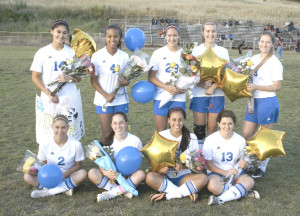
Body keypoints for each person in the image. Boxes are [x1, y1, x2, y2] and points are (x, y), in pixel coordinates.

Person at [31, 20, 84, 145]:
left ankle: (70, 160)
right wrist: (49, 93)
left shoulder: (72, 53)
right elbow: (35, 77)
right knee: (49, 132)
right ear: (52, 32)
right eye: (58, 32)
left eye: (64, 33)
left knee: (70, 132)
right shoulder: (42, 52)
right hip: (49, 99)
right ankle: (48, 161)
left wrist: (69, 79)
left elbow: (79, 78)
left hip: (69, 98)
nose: (61, 35)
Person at [242, 31, 283, 178]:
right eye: (262, 41)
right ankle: (247, 162)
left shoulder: (275, 62)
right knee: (246, 134)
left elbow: (277, 86)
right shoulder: (252, 59)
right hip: (253, 101)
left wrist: (257, 87)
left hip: (267, 100)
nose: (264, 44)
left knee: (264, 136)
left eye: (267, 42)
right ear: (258, 42)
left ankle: (262, 166)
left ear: (273, 44)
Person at [146, 107, 208, 203]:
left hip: (184, 177)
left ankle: (168, 195)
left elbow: (197, 164)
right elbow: (154, 161)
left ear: (184, 120)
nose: (177, 123)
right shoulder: (161, 135)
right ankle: (186, 191)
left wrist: (182, 165)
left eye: (180, 120)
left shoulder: (191, 137)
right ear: (168, 120)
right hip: (165, 176)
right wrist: (160, 169)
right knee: (149, 177)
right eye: (173, 120)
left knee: (203, 179)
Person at [203, 110, 260, 205]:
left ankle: (221, 198)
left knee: (250, 181)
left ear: (234, 124)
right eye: (224, 123)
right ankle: (241, 192)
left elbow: (242, 160)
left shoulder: (240, 140)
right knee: (212, 186)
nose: (227, 127)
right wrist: (225, 172)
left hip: (235, 173)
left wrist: (245, 164)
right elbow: (208, 164)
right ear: (218, 124)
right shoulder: (210, 140)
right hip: (216, 173)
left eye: (230, 123)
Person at [24, 114, 87, 198]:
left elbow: (78, 166)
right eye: (57, 127)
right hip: (49, 176)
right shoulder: (45, 143)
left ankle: (48, 191)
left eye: (63, 127)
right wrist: (34, 170)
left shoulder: (76, 144)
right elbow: (43, 164)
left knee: (83, 173)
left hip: (67, 176)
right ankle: (64, 189)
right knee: (27, 176)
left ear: (68, 128)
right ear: (52, 127)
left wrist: (63, 175)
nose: (60, 130)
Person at [88, 112, 145, 202]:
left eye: (121, 122)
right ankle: (123, 190)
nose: (118, 126)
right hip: (111, 176)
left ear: (126, 123)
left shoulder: (135, 140)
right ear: (111, 125)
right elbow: (101, 162)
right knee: (92, 173)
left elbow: (138, 162)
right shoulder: (106, 141)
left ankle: (111, 193)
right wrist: (105, 172)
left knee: (141, 174)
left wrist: (129, 173)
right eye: (115, 123)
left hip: (128, 177)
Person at [190, 21, 230, 147]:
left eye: (213, 31)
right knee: (199, 130)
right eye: (207, 31)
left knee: (212, 129)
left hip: (217, 95)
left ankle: (211, 156)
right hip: (199, 95)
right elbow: (189, 73)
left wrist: (213, 87)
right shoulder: (195, 51)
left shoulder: (223, 51)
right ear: (203, 32)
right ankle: (199, 158)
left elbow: (227, 75)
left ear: (217, 33)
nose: (210, 34)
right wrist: (200, 83)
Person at [91, 24, 130, 138]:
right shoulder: (97, 56)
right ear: (105, 37)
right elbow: (93, 81)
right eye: (109, 36)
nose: (112, 39)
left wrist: (125, 82)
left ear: (120, 38)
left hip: (121, 100)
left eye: (115, 36)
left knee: (120, 132)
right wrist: (106, 95)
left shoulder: (124, 56)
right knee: (107, 133)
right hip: (103, 100)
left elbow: (127, 80)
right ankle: (107, 155)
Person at [148, 24, 186, 132]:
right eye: (169, 35)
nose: (172, 38)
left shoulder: (185, 54)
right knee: (161, 131)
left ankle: (177, 149)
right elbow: (151, 77)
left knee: (176, 130)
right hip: (160, 96)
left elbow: (190, 77)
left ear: (179, 36)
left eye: (174, 35)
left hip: (178, 97)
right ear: (165, 36)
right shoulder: (158, 53)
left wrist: (182, 89)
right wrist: (166, 87)